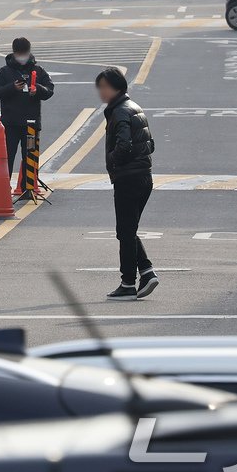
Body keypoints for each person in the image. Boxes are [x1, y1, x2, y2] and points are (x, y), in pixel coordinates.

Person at [96, 67, 158, 300]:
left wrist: (114, 161)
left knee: (125, 230)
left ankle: (129, 281)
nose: (101, 92)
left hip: (129, 178)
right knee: (127, 230)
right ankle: (145, 272)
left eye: (104, 87)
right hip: (144, 176)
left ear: (117, 87)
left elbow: (124, 145)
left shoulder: (120, 112)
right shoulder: (134, 108)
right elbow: (151, 144)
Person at [0, 37, 55, 175]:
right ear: (14, 53)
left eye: (24, 53)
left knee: (30, 158)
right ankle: (4, 187)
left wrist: (38, 89)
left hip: (31, 124)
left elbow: (50, 89)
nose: (22, 57)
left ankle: (28, 188)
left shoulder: (38, 70)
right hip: (10, 123)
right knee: (8, 157)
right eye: (19, 54)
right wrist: (12, 87)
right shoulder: (5, 71)